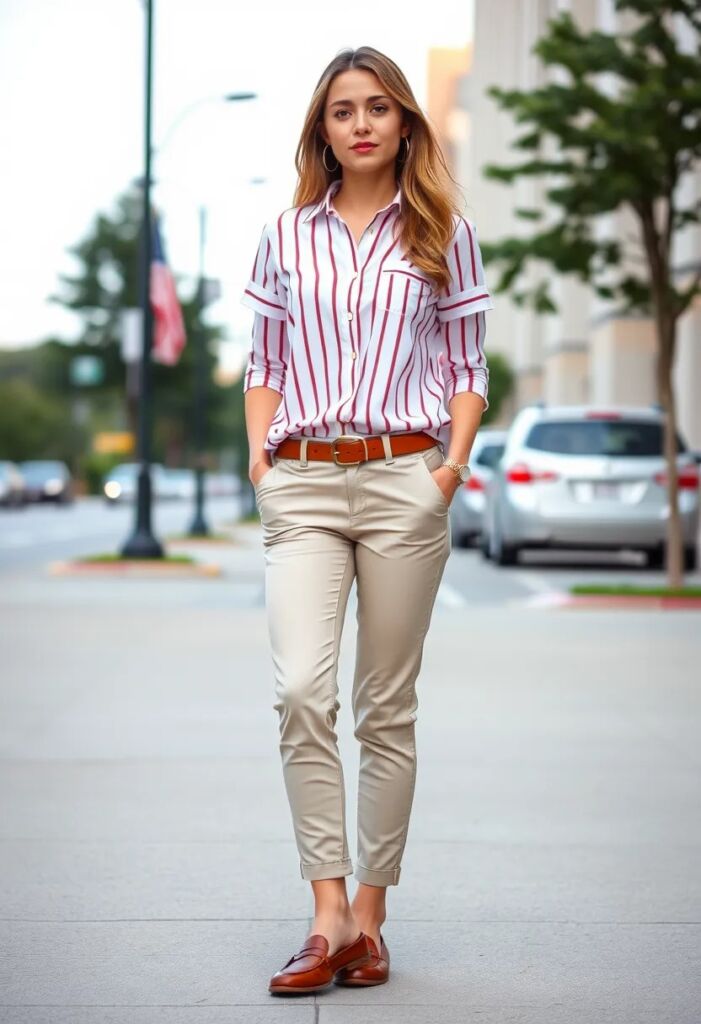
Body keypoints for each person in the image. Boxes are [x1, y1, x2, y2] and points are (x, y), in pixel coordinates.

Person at [241, 45, 494, 996]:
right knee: (303, 692)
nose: (360, 124)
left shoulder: (441, 233)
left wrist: (448, 469)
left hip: (402, 479)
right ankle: (325, 913)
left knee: (386, 709)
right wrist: (261, 460)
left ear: (403, 125)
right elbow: (263, 360)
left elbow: (468, 367)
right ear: (322, 129)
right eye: (342, 110)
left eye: (378, 108)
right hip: (303, 482)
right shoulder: (284, 235)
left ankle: (370, 923)